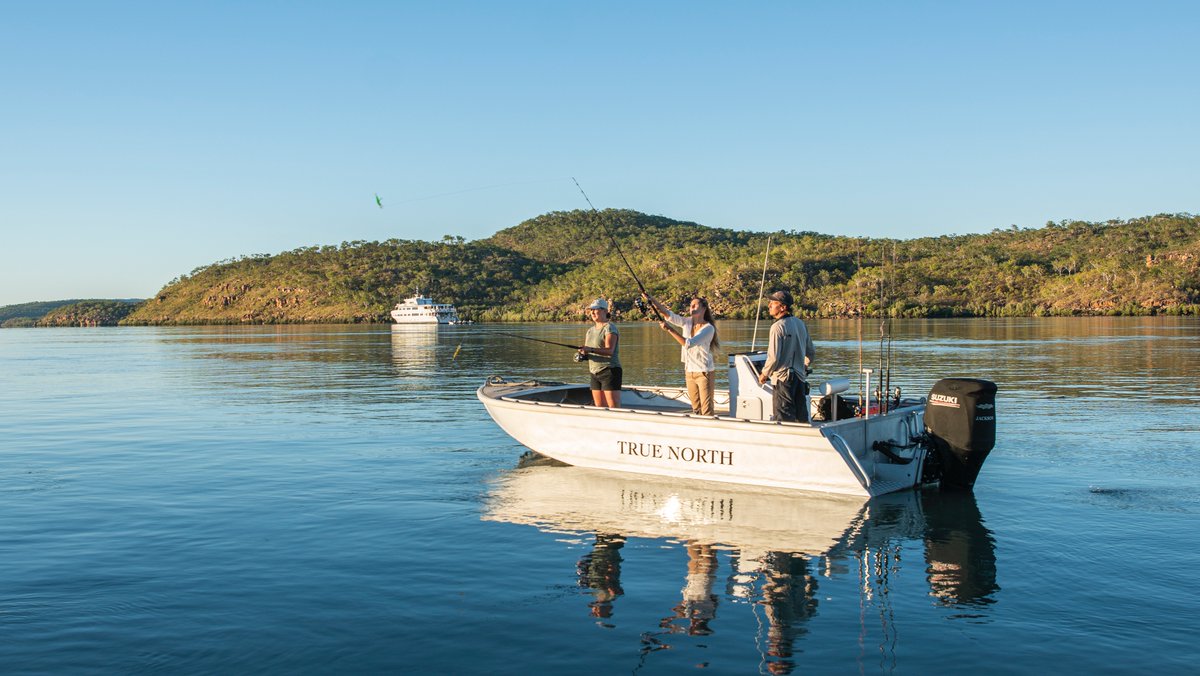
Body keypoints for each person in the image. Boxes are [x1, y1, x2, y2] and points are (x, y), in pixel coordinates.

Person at [643, 293, 720, 415]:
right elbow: (667, 314)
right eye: (690, 305)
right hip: (689, 372)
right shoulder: (687, 322)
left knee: (707, 410)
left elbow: (688, 343)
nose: (691, 308)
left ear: (704, 309)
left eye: (695, 305)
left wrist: (669, 329)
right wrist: (652, 300)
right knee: (696, 408)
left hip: (704, 372)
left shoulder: (708, 328)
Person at [757, 290, 815, 422]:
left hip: (783, 379)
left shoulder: (777, 327)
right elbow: (811, 351)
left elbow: (774, 358)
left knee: (783, 417)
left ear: (783, 307)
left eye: (773, 303)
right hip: (800, 377)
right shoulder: (800, 324)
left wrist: (764, 374)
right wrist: (805, 365)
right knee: (801, 416)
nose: (769, 306)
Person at [579, 298, 622, 407]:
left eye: (595, 309)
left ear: (604, 311)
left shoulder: (609, 328)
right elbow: (588, 350)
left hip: (609, 371)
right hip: (594, 373)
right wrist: (583, 354)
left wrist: (590, 349)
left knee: (613, 408)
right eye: (591, 310)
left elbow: (610, 351)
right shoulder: (590, 331)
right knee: (599, 407)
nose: (592, 312)